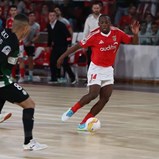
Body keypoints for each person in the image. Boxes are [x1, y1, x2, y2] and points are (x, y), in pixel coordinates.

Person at [57, 14, 140, 131]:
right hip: (95, 68)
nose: (105, 25)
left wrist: (136, 34)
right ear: (99, 24)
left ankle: (84, 122)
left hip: (108, 69)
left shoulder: (118, 33)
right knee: (93, 94)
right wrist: (62, 57)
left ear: (110, 23)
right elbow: (77, 46)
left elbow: (134, 42)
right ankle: (72, 110)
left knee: (105, 98)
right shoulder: (94, 35)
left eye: (107, 22)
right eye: (102, 23)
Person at [0, 14, 47, 150]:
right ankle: (29, 142)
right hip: (3, 82)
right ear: (25, 28)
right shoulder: (12, 41)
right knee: (29, 105)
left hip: (4, 80)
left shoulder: (5, 32)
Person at [47, 10, 76, 84]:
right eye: (50, 15)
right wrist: (49, 46)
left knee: (65, 63)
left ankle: (73, 78)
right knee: (52, 62)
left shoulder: (61, 25)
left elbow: (68, 35)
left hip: (63, 46)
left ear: (56, 16)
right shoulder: (49, 25)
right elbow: (50, 37)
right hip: (55, 47)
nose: (52, 17)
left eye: (53, 15)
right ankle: (54, 78)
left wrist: (69, 45)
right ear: (48, 17)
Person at [83, 1, 102, 68]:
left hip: (101, 44)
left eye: (97, 8)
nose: (96, 10)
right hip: (91, 44)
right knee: (90, 62)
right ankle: (90, 77)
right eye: (94, 8)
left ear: (100, 8)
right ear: (92, 9)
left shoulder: (103, 18)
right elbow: (86, 32)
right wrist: (84, 44)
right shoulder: (89, 19)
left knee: (100, 62)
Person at [24, 11, 40, 82]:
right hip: (23, 44)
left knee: (30, 59)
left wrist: (31, 42)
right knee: (21, 59)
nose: (32, 17)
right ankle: (22, 74)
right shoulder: (24, 24)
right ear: (28, 17)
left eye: (33, 16)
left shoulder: (37, 26)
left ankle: (30, 75)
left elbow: (37, 36)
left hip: (31, 44)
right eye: (30, 16)